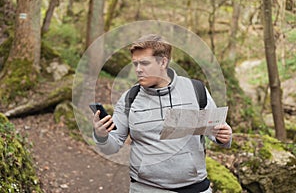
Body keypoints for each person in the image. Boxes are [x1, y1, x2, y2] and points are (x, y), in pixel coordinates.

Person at [92, 34, 232, 193]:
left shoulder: (195, 90)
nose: (138, 69)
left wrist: (225, 136)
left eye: (144, 63)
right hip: (145, 189)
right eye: (135, 64)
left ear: (163, 62)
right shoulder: (129, 99)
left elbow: (217, 131)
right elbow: (112, 146)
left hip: (195, 188)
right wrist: (101, 135)